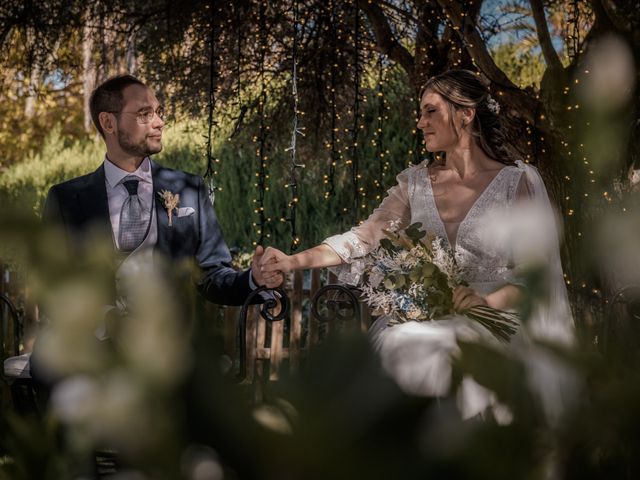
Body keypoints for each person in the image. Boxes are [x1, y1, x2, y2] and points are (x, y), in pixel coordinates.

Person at [260, 69, 574, 415]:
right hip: (430, 320)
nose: (420, 122)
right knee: (402, 343)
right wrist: (291, 261)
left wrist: (486, 301)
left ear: (466, 114)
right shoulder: (416, 183)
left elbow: (536, 279)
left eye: (430, 111)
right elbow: (361, 239)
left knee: (450, 354)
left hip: (499, 320)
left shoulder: (517, 183)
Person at [31, 74, 283, 388]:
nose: (159, 121)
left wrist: (253, 279)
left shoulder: (188, 189)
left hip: (169, 356)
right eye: (144, 113)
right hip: (92, 356)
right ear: (108, 122)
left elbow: (211, 274)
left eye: (159, 111)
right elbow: (54, 284)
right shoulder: (66, 198)